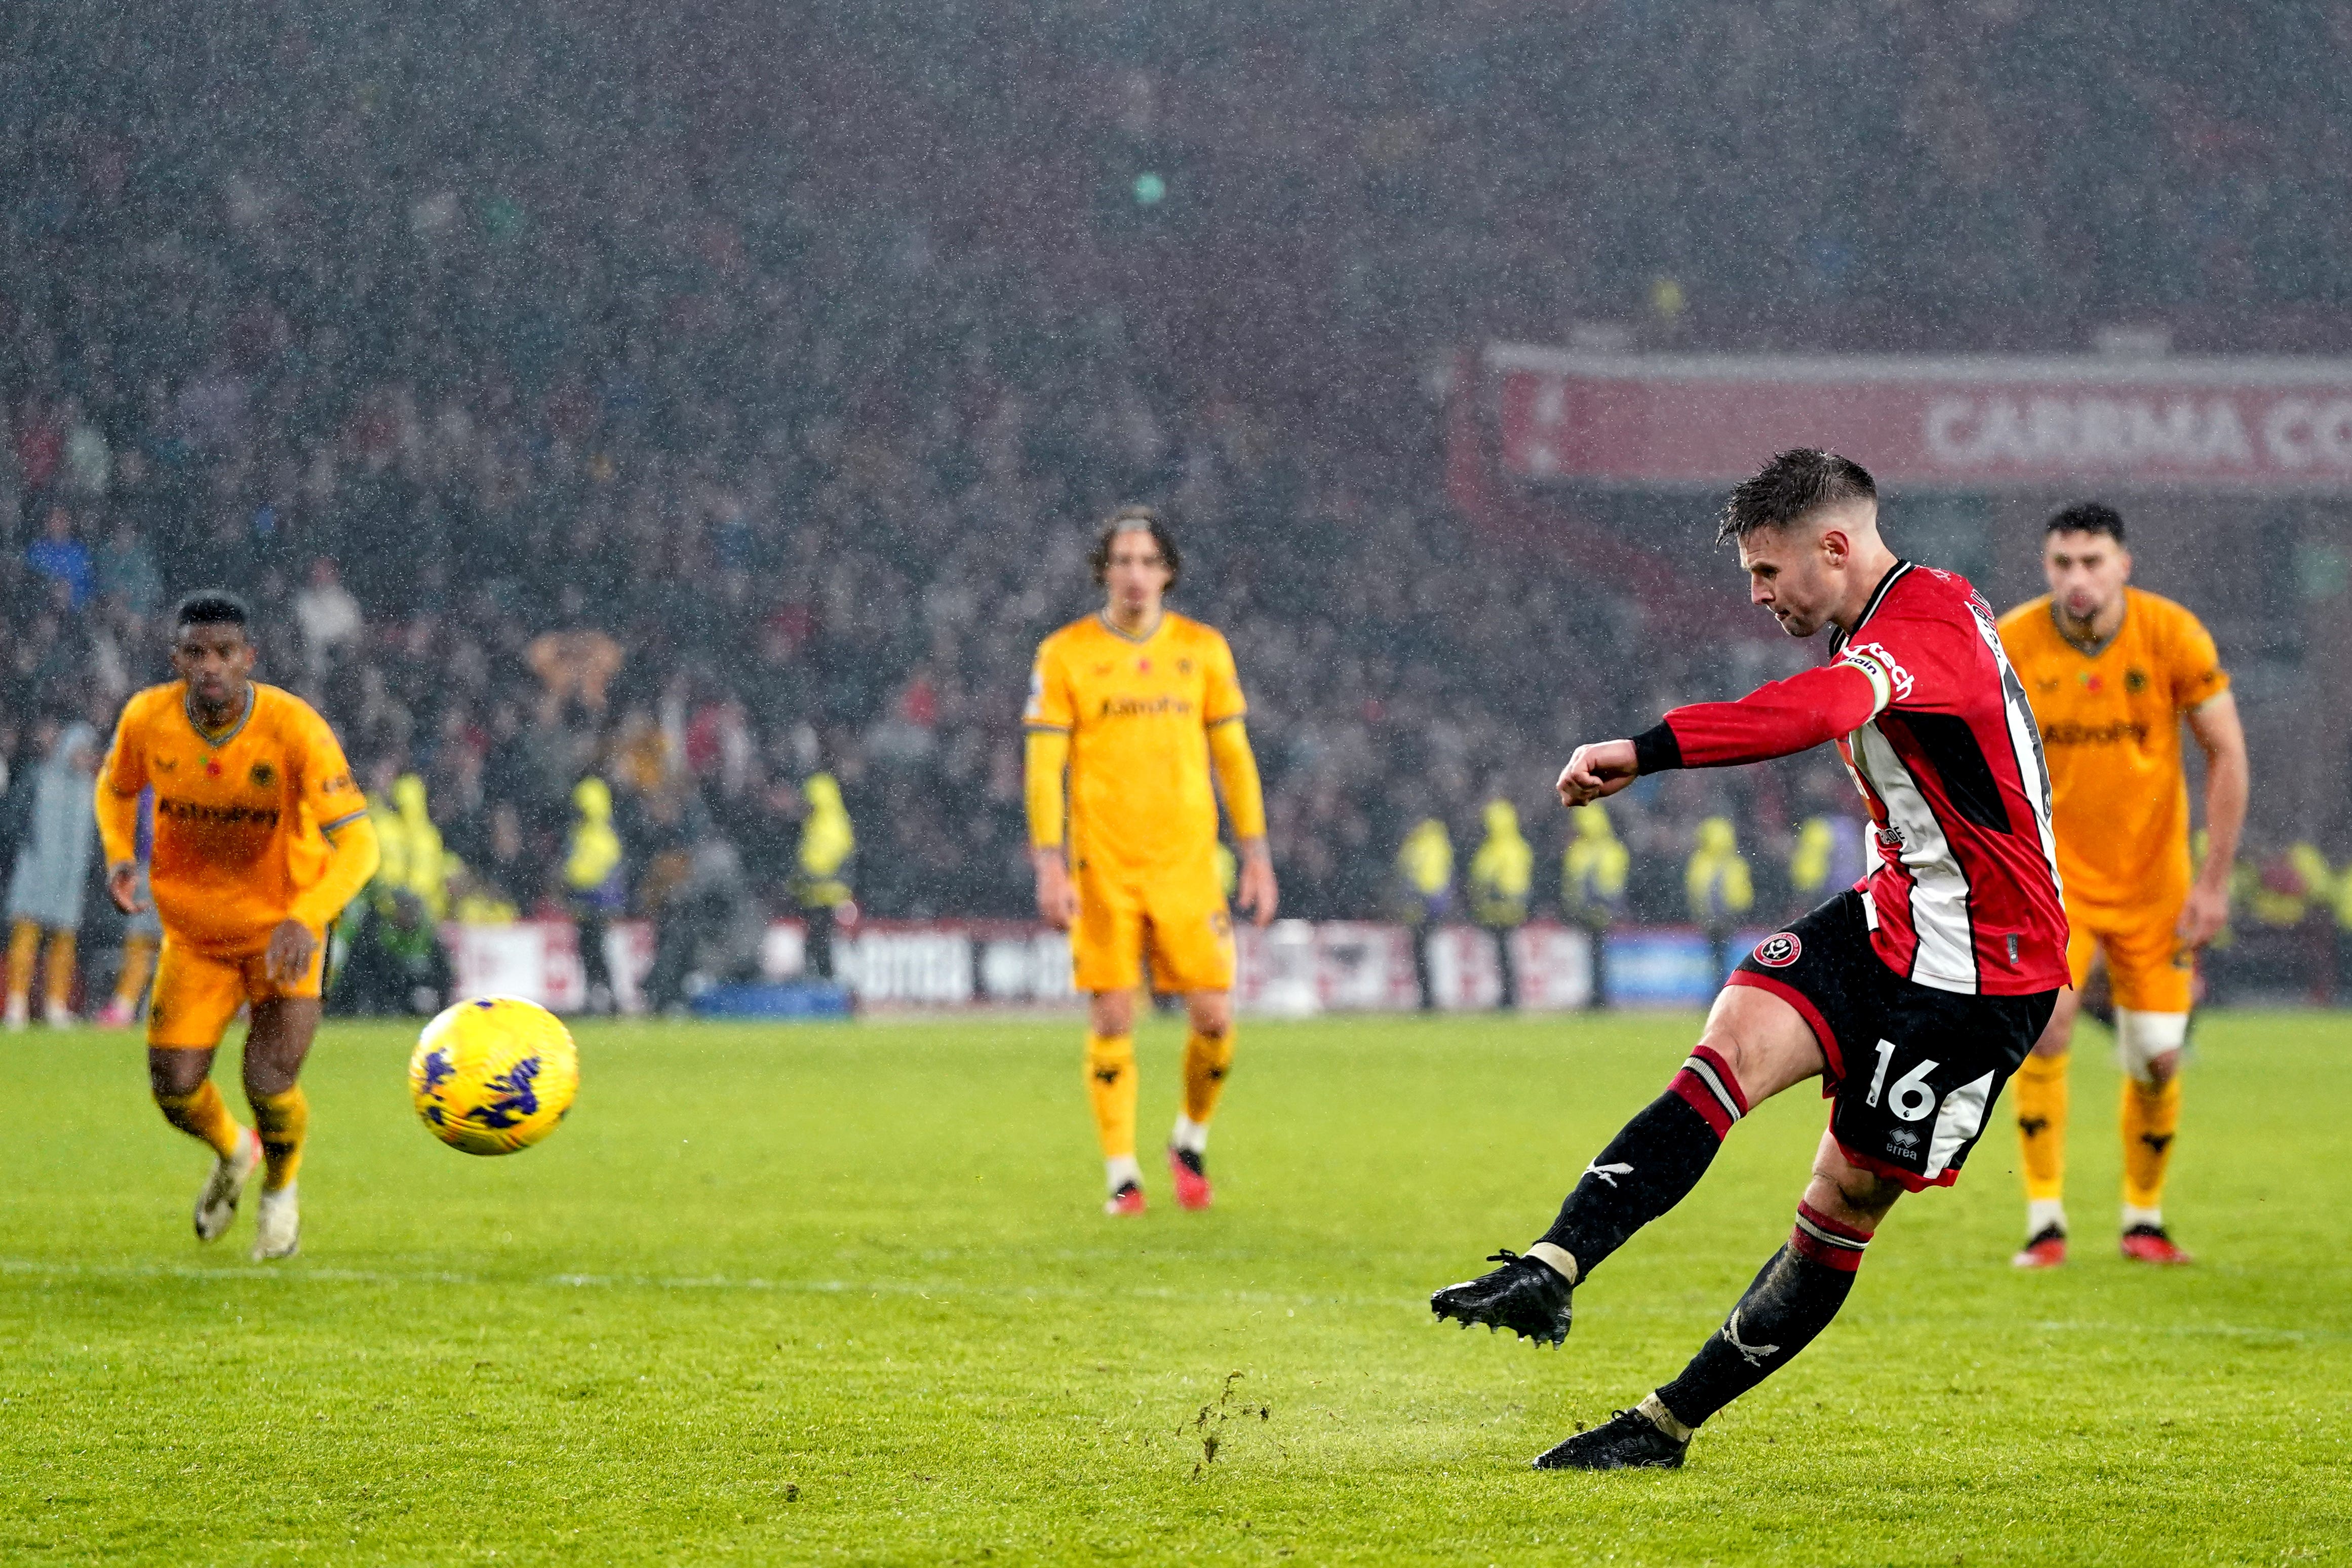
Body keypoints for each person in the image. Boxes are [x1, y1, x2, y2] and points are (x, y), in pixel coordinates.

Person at [1430, 450, 2066, 1470]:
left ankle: (1663, 1425)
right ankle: (1554, 1261)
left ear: (1836, 547)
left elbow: (1817, 710)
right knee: (1726, 1049)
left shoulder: (1925, 624)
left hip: (1981, 975)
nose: (1757, 595)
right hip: (1892, 918)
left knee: (1841, 1208)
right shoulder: (1879, 619)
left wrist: (1646, 750)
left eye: (1768, 575)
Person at [1996, 502, 2249, 1268]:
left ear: (2122, 565)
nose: (2078, 578)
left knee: (2158, 1057)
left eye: (2093, 562)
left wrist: (2211, 884)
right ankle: (2046, 1223)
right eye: (2064, 563)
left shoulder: (2173, 634)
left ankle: (2144, 1219)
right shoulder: (2012, 642)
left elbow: (2227, 754)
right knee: (2048, 1029)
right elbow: (1980, 758)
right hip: (2055, 886)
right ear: (2048, 568)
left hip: (2154, 885)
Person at [95, 592, 379, 1261]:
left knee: (269, 1079)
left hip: (285, 931)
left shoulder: (294, 729)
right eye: (196, 653)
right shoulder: (148, 719)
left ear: (249, 659)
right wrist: (118, 857)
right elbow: (115, 788)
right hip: (195, 936)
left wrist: (308, 916)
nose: (211, 667)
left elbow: (361, 843)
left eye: (225, 653)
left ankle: (281, 1189)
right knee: (174, 1089)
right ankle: (235, 1149)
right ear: (178, 660)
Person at [1025, 505, 1275, 1216]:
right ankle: (1122, 1174)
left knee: (1215, 1017)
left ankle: (1189, 1139)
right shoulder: (1065, 654)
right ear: (1103, 570)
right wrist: (1048, 863)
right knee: (1110, 1018)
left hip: (1188, 865)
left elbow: (1234, 760)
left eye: (1147, 561)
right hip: (1101, 864)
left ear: (1167, 571)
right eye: (1122, 561)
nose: (1134, 574)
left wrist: (1256, 856)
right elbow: (1043, 771)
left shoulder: (1203, 650)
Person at [5, 717, 101, 1027]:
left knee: (63, 944)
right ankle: (16, 1004)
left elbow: (96, 839)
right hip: (34, 874)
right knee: (25, 940)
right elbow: (12, 825)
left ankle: (56, 1005)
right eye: (82, 751)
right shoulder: (39, 778)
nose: (86, 758)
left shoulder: (90, 790)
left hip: (69, 880)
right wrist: (24, 859)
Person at [565, 776, 626, 1011]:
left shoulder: (592, 836)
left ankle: (603, 995)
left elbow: (581, 872)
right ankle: (603, 994)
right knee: (593, 951)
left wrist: (571, 882)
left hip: (594, 904)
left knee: (594, 951)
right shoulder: (601, 834)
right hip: (595, 903)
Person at [1561, 802, 1628, 1008]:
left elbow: (1596, 883)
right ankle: (1597, 994)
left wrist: (1597, 904)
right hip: (1592, 910)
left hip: (1596, 911)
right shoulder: (1607, 849)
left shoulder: (1587, 850)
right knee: (1595, 954)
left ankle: (1599, 995)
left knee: (1596, 953)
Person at [1468, 799, 1532, 1009]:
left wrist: (1498, 897)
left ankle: (1510, 997)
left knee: (1504, 955)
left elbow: (1508, 882)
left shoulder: (1505, 849)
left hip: (1503, 910)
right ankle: (1508, 995)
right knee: (1502, 955)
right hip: (1497, 910)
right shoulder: (1506, 847)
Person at [793, 773, 854, 982]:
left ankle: (826, 981)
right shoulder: (818, 823)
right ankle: (822, 979)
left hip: (828, 897)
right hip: (816, 896)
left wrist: (809, 879)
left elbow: (833, 864)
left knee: (822, 942)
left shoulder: (831, 826)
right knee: (818, 941)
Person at [1684, 815, 1755, 979]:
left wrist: (1703, 915)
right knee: (1723, 956)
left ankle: (1722, 986)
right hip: (1727, 919)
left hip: (1716, 920)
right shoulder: (1735, 862)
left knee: (1719, 957)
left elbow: (1696, 893)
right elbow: (1742, 894)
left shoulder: (1700, 863)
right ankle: (1727, 984)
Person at [1395, 817, 1454, 1011]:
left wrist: (1420, 899)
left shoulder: (1420, 846)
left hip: (1423, 907)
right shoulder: (1437, 844)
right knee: (1425, 953)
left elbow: (1413, 877)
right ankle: (1429, 997)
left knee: (1422, 953)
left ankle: (1428, 998)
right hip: (1428, 906)